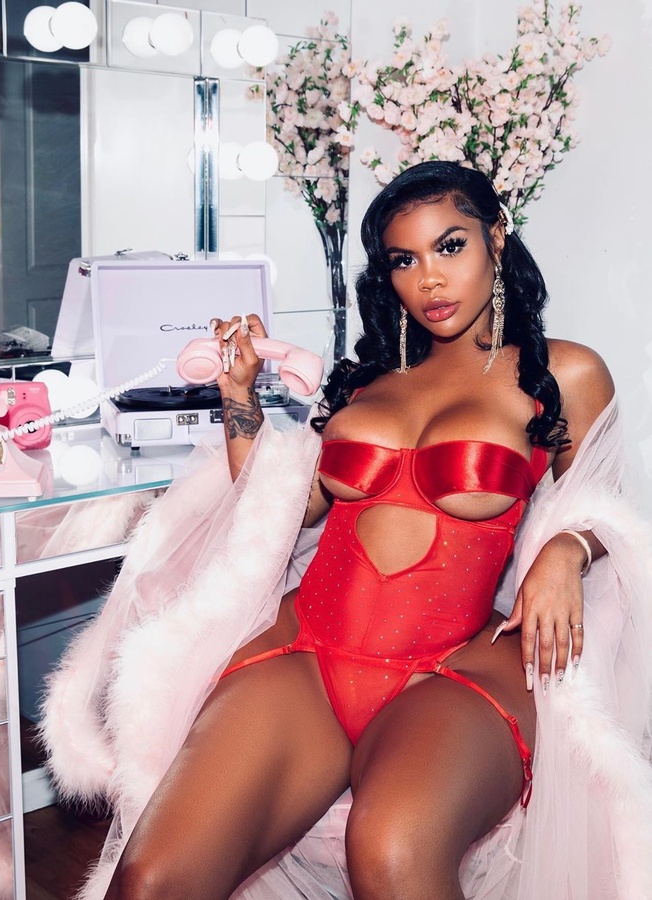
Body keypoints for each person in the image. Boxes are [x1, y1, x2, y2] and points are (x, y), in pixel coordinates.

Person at [42, 161, 652, 900]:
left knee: (392, 851)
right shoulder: (366, 382)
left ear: (496, 237)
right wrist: (239, 397)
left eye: (450, 246)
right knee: (149, 880)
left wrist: (566, 547)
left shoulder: (565, 372)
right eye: (404, 259)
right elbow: (283, 508)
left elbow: (605, 507)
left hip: (455, 666)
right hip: (311, 651)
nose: (430, 279)